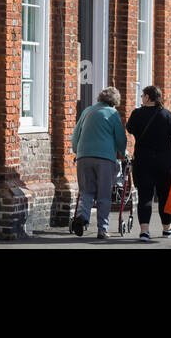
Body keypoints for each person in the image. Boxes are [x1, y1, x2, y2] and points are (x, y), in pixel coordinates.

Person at [126, 85, 171, 240]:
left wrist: (140, 114)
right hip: (165, 163)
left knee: (145, 197)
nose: (141, 97)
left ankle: (144, 232)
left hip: (143, 162)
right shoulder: (166, 115)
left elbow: (129, 128)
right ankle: (167, 229)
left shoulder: (137, 114)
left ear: (148, 97)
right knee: (165, 197)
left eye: (143, 95)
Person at [70, 86, 127, 239]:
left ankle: (82, 217)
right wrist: (124, 153)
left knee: (86, 192)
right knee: (103, 195)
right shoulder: (113, 113)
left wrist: (77, 151)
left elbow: (76, 135)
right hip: (104, 159)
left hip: (84, 156)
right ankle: (102, 229)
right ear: (114, 102)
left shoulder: (87, 111)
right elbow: (120, 138)